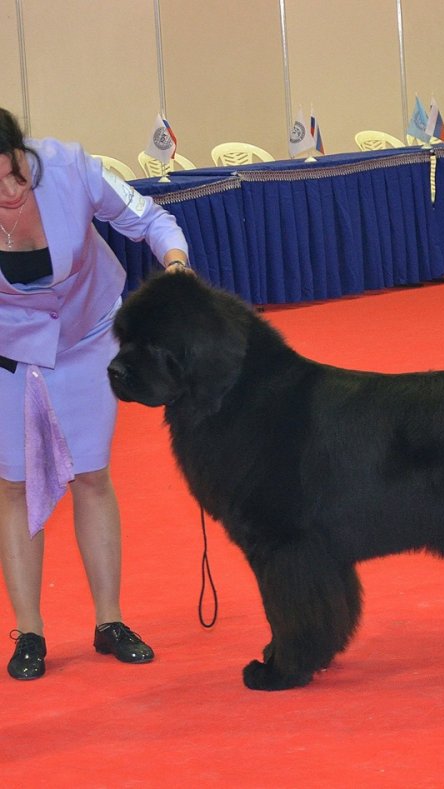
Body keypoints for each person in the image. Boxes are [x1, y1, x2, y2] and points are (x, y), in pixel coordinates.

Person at [0, 107, 191, 680]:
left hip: (86, 339)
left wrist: (176, 265)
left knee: (92, 474)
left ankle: (109, 621)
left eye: (14, 174)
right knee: (12, 485)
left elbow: (149, 220)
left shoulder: (70, 167)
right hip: (9, 351)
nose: (10, 192)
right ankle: (29, 631)